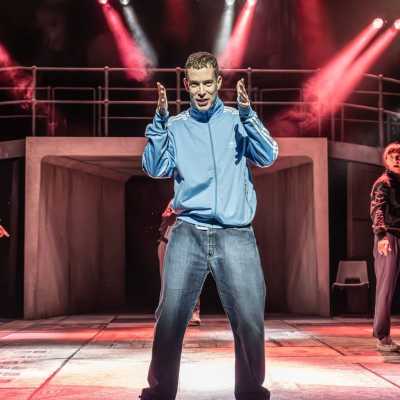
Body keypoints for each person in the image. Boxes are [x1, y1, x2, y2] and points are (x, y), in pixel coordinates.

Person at [140, 51, 278, 400]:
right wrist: (158, 122)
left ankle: (250, 391)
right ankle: (159, 392)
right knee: (170, 316)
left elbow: (267, 155)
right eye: (195, 84)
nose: (202, 91)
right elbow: (155, 167)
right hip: (188, 231)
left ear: (218, 83)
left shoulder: (236, 120)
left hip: (236, 234)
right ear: (186, 85)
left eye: (208, 83)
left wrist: (249, 116)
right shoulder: (175, 126)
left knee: (249, 317)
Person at [370, 141, 400, 352]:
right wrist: (381, 236)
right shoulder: (384, 183)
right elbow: (378, 209)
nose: (397, 160)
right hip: (389, 237)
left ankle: (384, 336)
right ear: (386, 161)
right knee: (386, 288)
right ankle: (382, 337)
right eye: (393, 157)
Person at [158, 201, 201, 325]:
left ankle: (193, 312)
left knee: (191, 279)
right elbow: (166, 219)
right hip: (166, 242)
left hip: (187, 245)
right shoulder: (175, 200)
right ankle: (167, 313)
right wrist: (173, 213)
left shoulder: (198, 201)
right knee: (166, 281)